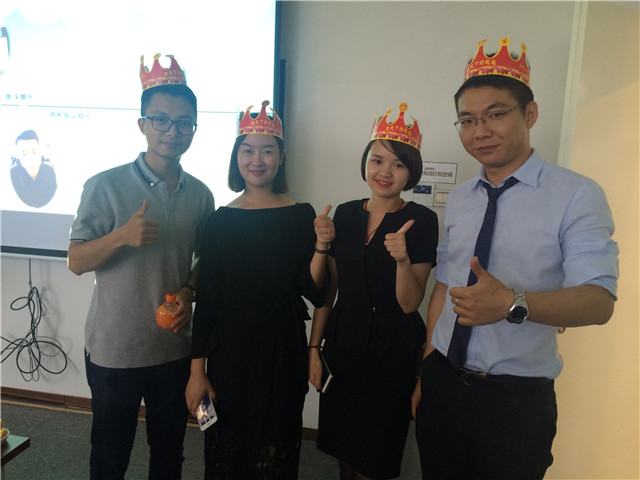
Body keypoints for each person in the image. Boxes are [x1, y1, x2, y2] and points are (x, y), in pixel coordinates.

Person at [413, 38, 619, 479]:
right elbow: (445, 287)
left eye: (495, 114)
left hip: (515, 401)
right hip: (443, 381)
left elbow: (599, 301)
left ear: (530, 114)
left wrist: (512, 302)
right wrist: (427, 365)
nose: (480, 131)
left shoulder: (576, 195)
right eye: (468, 120)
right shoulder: (462, 199)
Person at [68, 53, 214, 480]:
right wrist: (121, 236)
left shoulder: (201, 194)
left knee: (169, 454)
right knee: (110, 455)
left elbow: (203, 260)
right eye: (160, 120)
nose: (172, 131)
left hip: (174, 349)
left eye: (184, 123)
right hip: (116, 349)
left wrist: (188, 290)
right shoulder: (104, 185)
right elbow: (76, 261)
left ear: (194, 128)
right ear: (142, 124)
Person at [185, 100, 334, 479]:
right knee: (226, 451)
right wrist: (197, 372)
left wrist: (321, 246)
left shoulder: (301, 215)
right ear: (236, 157)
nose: (257, 159)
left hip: (283, 352)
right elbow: (208, 301)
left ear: (280, 158)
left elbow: (315, 292)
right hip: (229, 356)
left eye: (267, 151)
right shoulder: (220, 221)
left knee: (276, 451)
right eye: (247, 150)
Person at [309, 103, 439, 480]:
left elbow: (410, 303)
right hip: (343, 348)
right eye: (377, 160)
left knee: (377, 456)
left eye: (398, 165)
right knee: (344, 451)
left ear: (411, 172)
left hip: (392, 355)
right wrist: (314, 349)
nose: (385, 172)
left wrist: (402, 260)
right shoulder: (346, 214)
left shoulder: (422, 220)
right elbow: (329, 290)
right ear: (366, 162)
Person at [10, 129, 57, 208]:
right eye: (24, 154)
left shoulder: (51, 172)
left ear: (40, 151)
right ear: (17, 155)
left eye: (34, 152)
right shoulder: (13, 174)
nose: (30, 159)